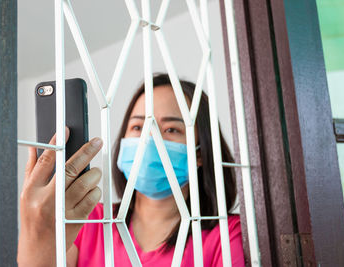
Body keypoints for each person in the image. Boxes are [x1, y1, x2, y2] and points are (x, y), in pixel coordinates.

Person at [17, 73, 245, 266]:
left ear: (199, 153)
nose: (149, 137)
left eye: (172, 129)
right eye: (138, 126)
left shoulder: (228, 233)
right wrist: (36, 234)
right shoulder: (88, 220)